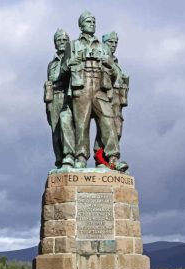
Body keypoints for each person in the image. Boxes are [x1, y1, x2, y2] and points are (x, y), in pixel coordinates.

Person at [61, 11, 127, 170]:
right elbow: (62, 71)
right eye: (89, 21)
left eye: (93, 21)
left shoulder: (104, 47)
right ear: (81, 25)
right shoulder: (74, 45)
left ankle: (112, 158)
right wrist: (71, 62)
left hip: (100, 89)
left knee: (108, 121)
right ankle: (81, 157)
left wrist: (109, 64)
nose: (92, 24)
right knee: (81, 124)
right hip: (81, 87)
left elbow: (117, 74)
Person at [94, 32, 129, 167]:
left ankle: (106, 160)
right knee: (106, 129)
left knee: (117, 130)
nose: (113, 45)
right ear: (104, 43)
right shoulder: (101, 58)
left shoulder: (115, 62)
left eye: (115, 42)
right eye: (110, 42)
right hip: (103, 96)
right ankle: (102, 159)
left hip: (117, 100)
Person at [44, 29, 75, 168]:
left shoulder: (71, 58)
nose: (61, 43)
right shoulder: (51, 64)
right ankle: (60, 159)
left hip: (67, 95)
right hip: (53, 98)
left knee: (66, 125)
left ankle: (70, 156)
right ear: (55, 44)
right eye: (58, 40)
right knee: (55, 131)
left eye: (64, 40)